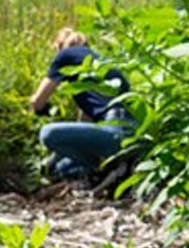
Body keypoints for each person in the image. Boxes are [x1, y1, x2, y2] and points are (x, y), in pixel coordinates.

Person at [29, 27, 133, 183]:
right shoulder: (103, 64)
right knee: (64, 167)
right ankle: (111, 168)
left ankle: (104, 168)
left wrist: (37, 107)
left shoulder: (65, 56)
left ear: (59, 47)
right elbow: (84, 123)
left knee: (47, 133)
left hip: (114, 130)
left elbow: (38, 102)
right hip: (131, 134)